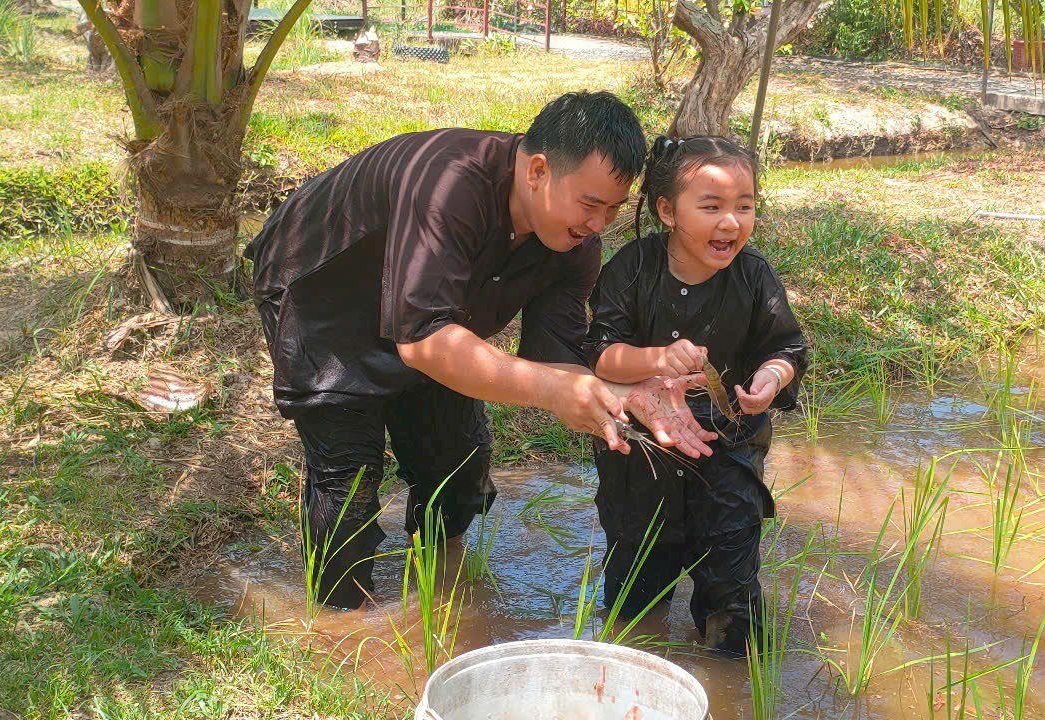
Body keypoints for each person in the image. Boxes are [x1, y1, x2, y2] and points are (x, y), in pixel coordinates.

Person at [245, 92, 716, 610]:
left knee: (457, 471)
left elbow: (552, 347)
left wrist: (620, 391)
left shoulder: (575, 244)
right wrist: (551, 389)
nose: (599, 224)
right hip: (325, 298)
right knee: (348, 483)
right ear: (538, 170)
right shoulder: (450, 185)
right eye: (589, 204)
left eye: (612, 210)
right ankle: (342, 623)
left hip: (429, 316)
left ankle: (437, 581)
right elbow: (424, 339)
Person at [585, 135, 809, 654]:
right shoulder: (633, 269)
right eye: (712, 207)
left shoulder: (754, 276)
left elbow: (787, 347)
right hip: (643, 446)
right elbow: (601, 354)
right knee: (637, 588)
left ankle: (731, 682)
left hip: (730, 444)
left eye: (744, 207)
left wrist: (770, 379)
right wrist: (657, 360)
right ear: (667, 210)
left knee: (732, 586)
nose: (731, 222)